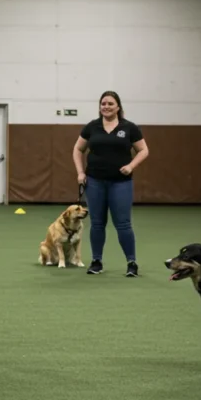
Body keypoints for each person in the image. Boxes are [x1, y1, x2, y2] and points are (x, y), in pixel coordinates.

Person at [71, 91, 149, 277]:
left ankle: (131, 262)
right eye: (103, 103)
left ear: (118, 107)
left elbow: (144, 150)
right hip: (95, 182)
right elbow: (77, 149)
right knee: (97, 223)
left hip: (121, 183)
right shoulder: (92, 127)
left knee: (123, 224)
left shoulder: (129, 128)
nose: (106, 106)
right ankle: (96, 261)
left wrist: (131, 166)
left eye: (110, 104)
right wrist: (80, 172)